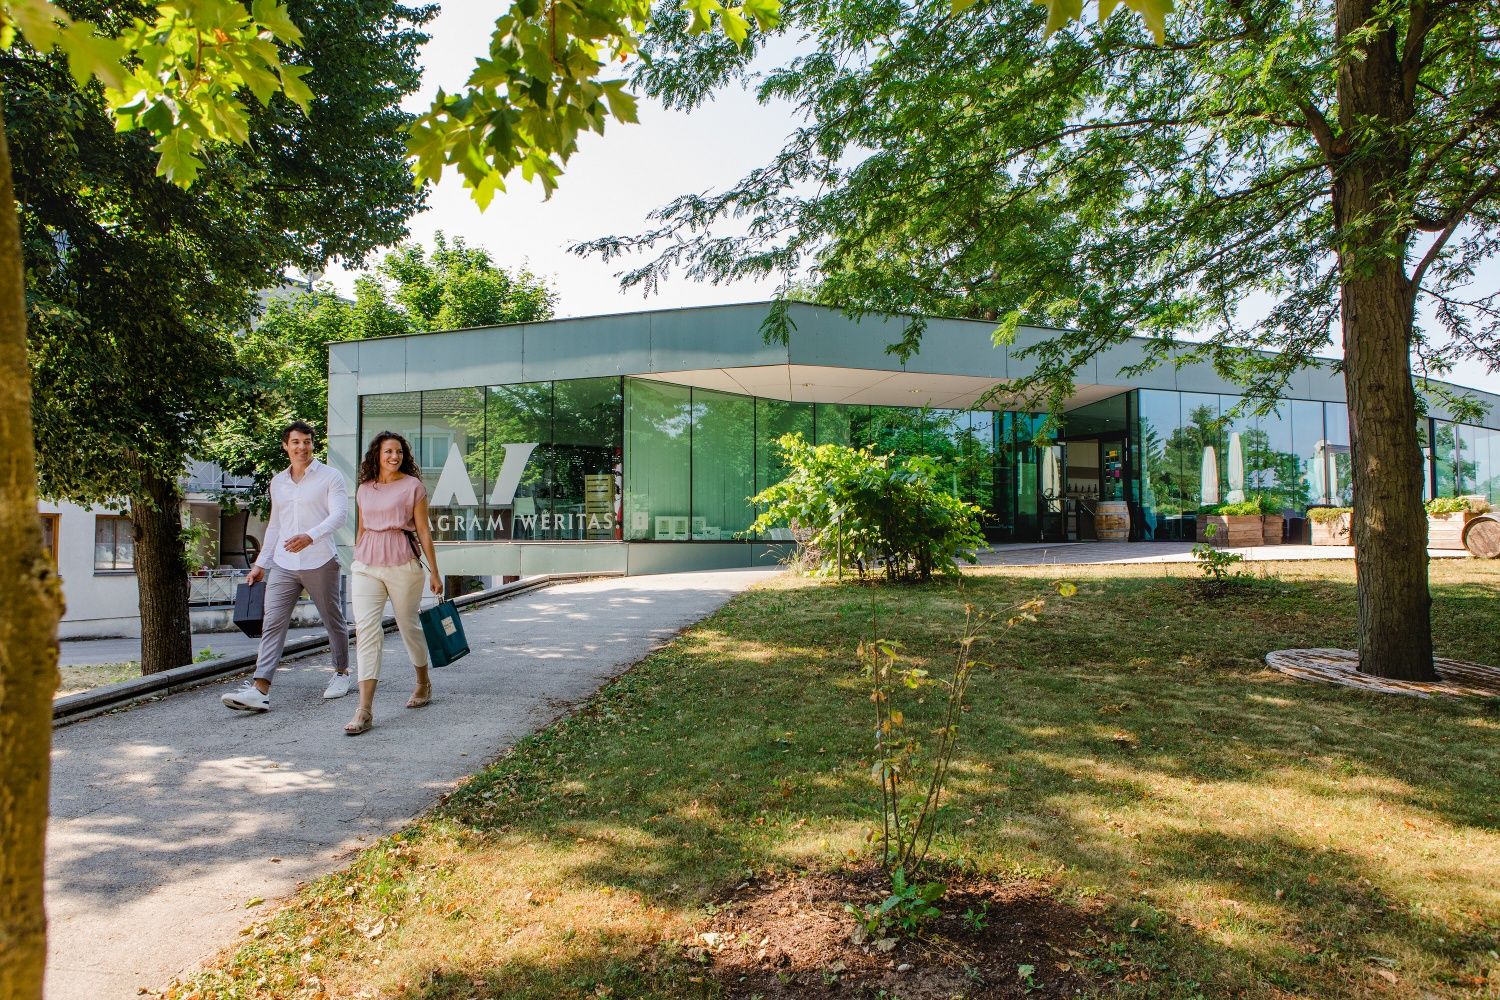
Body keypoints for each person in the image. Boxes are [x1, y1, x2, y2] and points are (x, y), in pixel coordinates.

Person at [222, 421, 351, 712]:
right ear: (285, 446)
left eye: (307, 441)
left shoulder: (330, 477)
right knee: (272, 623)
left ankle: (342, 672)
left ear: (313, 444)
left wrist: (310, 536)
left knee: (332, 618)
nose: (302, 447)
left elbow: (339, 516)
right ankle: (260, 689)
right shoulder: (278, 481)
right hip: (284, 563)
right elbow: (275, 526)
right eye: (296, 442)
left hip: (320, 561)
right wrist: (260, 564)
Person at [344, 430, 442, 735]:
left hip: (402, 564)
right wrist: (358, 555)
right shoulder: (364, 489)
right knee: (366, 631)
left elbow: (423, 531)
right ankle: (364, 710)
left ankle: (423, 682)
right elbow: (362, 528)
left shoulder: (413, 487)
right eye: (388, 451)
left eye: (398, 451)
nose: (394, 456)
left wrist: (435, 572)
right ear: (377, 454)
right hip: (366, 565)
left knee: (407, 625)